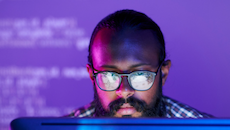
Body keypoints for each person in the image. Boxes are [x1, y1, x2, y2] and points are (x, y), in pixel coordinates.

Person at [69, 9, 212, 118]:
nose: (124, 91)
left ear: (163, 74)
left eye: (140, 75)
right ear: (92, 76)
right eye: (109, 76)